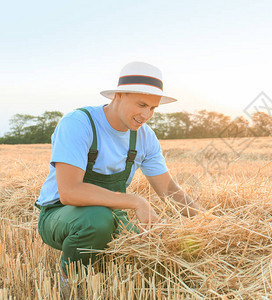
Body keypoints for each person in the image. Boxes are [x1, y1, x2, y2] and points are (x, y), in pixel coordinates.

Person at [35, 61, 202, 275]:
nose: (146, 115)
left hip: (112, 215)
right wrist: (137, 201)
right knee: (95, 221)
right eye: (141, 105)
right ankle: (72, 285)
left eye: (152, 108)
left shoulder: (145, 136)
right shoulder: (79, 123)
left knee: (149, 248)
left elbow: (169, 191)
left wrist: (209, 221)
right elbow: (70, 192)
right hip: (60, 214)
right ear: (119, 96)